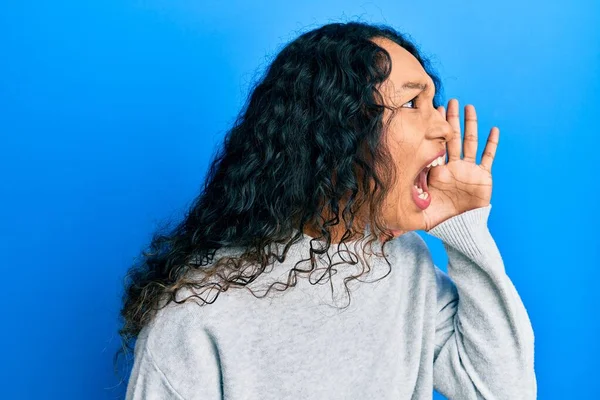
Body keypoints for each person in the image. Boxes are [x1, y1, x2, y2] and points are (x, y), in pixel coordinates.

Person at [118, 21, 537, 399]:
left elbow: (501, 392)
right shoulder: (198, 313)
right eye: (412, 103)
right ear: (342, 131)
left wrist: (465, 228)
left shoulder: (406, 264)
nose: (445, 128)